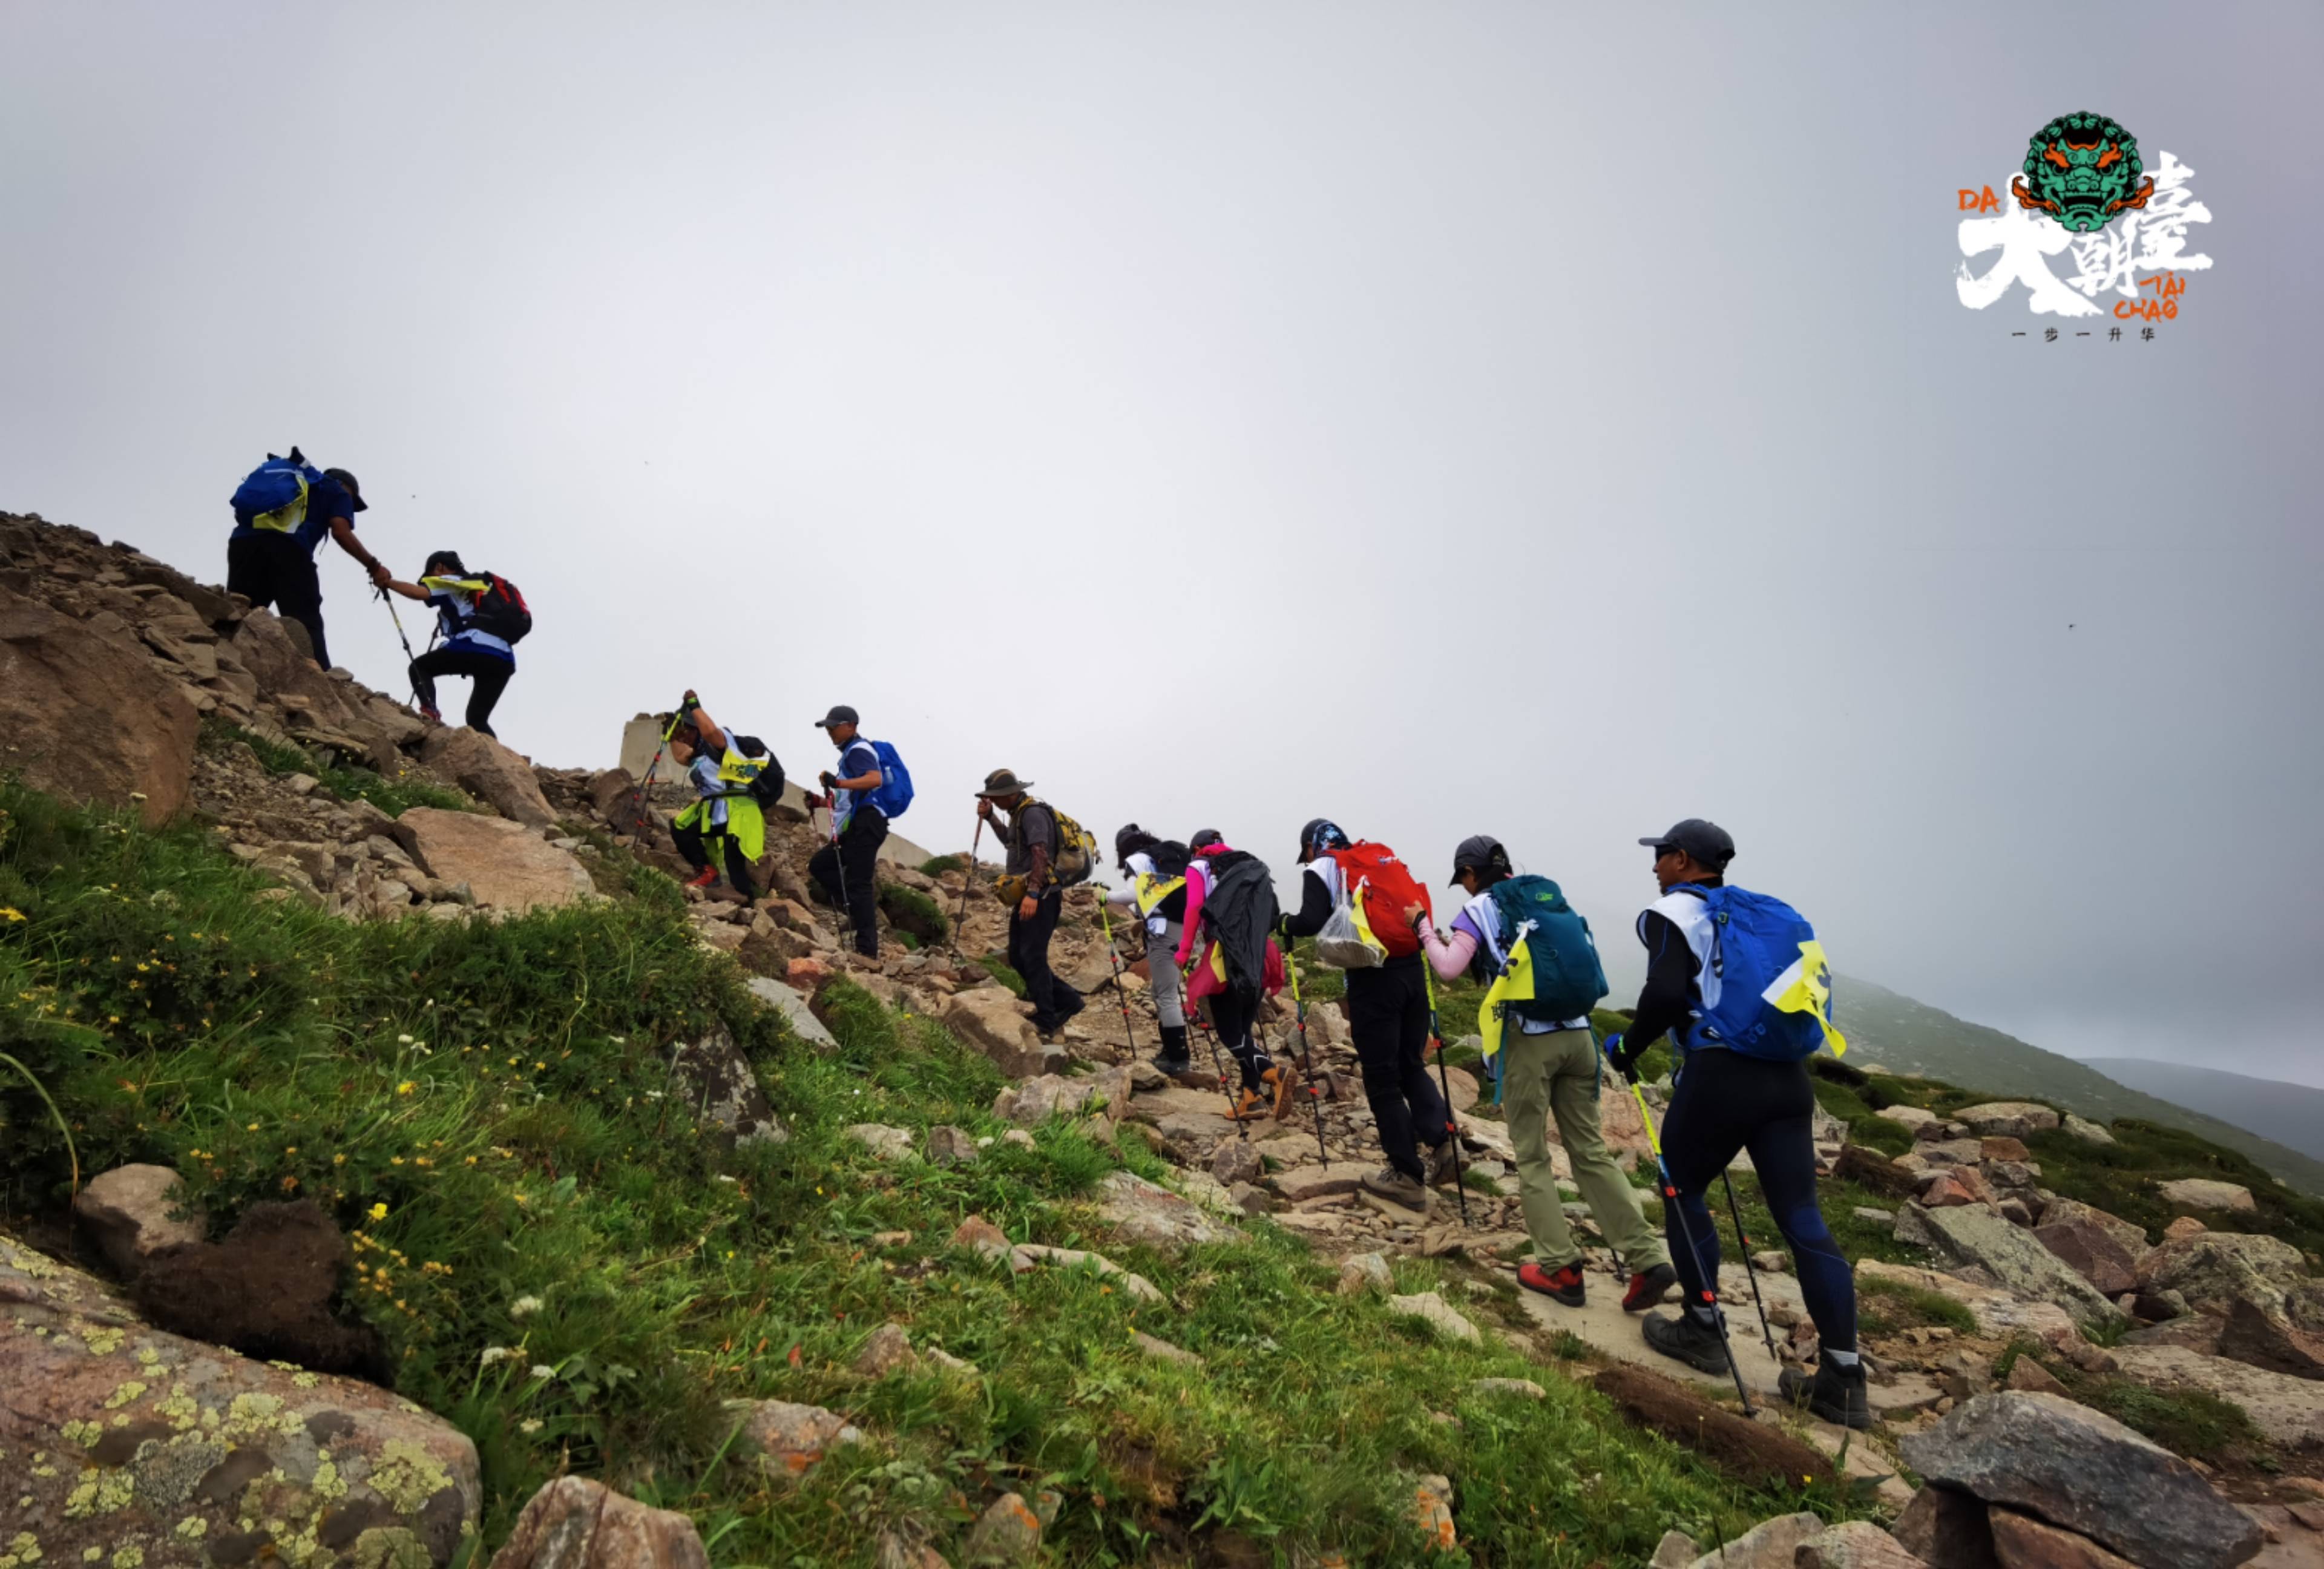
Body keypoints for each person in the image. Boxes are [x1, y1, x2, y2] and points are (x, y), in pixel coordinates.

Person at [1607, 818, 1868, 1428]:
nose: (1653, 868)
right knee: (1803, 1218)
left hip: (1721, 1073)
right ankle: (1844, 1377)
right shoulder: (1759, 916)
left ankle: (1701, 1329)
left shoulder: (1678, 912)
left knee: (1682, 1188)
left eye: (1660, 857)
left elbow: (1668, 993)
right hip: (1787, 1080)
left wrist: (1629, 1048)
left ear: (1681, 860)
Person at [1419, 835, 1677, 1309]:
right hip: (1579, 1037)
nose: (1465, 888)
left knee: (1533, 1155)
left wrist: (1423, 931)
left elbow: (1450, 968)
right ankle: (1646, 1257)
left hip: (1530, 1039)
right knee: (1591, 1152)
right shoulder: (1548, 896)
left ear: (1472, 874)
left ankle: (1560, 1268)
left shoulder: (1481, 907)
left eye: (1464, 879)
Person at [1278, 819, 1451, 1211]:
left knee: (1382, 1078)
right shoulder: (1375, 857)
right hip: (1411, 970)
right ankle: (1444, 1142)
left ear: (1311, 847)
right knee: (1411, 1064)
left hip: (1374, 979)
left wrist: (1283, 923)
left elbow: (1309, 921)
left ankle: (1406, 1176)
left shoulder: (1322, 865)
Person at [225, 449, 389, 670]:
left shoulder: (294, 479)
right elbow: (341, 532)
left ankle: (223, 660)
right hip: (290, 550)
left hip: (243, 544)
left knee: (242, 608)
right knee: (305, 620)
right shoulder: (336, 491)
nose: (351, 504)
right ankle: (323, 680)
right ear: (347, 487)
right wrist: (373, 565)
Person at [1174, 831, 1287, 1120]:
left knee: (1228, 1031)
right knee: (1243, 1029)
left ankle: (1272, 1073)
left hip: (1228, 956)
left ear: (1198, 849)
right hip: (1262, 953)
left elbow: (1195, 906)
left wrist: (1185, 951)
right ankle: (1252, 1099)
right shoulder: (1248, 866)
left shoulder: (1200, 866)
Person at [977, 770, 1083, 1039]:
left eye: (997, 797)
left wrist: (1033, 893)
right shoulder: (1018, 814)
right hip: (1032, 893)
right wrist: (990, 817)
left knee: (1033, 956)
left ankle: (1047, 1017)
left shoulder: (1033, 814)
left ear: (1011, 793)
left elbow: (1041, 853)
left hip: (1042, 896)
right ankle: (1068, 1000)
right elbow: (1011, 843)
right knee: (1018, 955)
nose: (995, 800)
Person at [375, 551, 514, 736]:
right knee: (477, 719)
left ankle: (429, 716)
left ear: (439, 567)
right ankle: (500, 760)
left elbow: (419, 593)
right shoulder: (478, 586)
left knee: (419, 667)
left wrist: (387, 583)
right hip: (503, 658)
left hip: (476, 645)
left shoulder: (449, 580)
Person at [663, 692, 767, 901]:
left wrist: (694, 706)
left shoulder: (719, 743)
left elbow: (710, 731)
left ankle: (748, 907)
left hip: (738, 810)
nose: (683, 737)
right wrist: (671, 733)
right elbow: (679, 756)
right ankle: (707, 872)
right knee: (681, 828)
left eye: (685, 731)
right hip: (714, 810)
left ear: (696, 728)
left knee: (734, 863)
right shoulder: (696, 754)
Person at [806, 705, 890, 958]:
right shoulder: (849, 754)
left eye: (834, 726)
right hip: (857, 823)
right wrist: (821, 802)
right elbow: (847, 798)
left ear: (851, 726)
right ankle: (856, 912)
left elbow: (875, 779)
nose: (830, 731)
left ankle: (867, 951)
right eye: (828, 727)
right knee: (820, 866)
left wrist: (838, 782)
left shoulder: (858, 750)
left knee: (859, 883)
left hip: (867, 822)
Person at [1108, 826, 1192, 1076]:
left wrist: (1105, 895)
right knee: (1162, 990)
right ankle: (1170, 1051)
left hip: (1163, 929)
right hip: (1183, 926)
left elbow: (1131, 895)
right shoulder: (1165, 857)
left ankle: (1178, 1058)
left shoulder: (1139, 860)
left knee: (1166, 994)